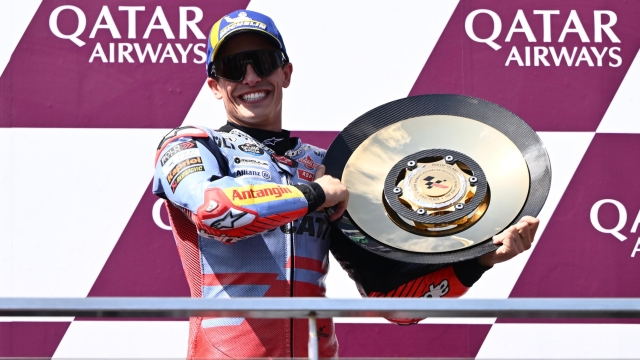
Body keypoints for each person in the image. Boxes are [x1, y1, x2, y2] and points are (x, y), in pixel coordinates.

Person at [152, 9, 539, 359]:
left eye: (264, 62)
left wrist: (481, 260)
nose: (251, 77)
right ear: (214, 85)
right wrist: (314, 194)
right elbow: (217, 212)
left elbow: (397, 306)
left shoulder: (328, 166)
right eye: (234, 67)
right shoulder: (191, 145)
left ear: (286, 72)